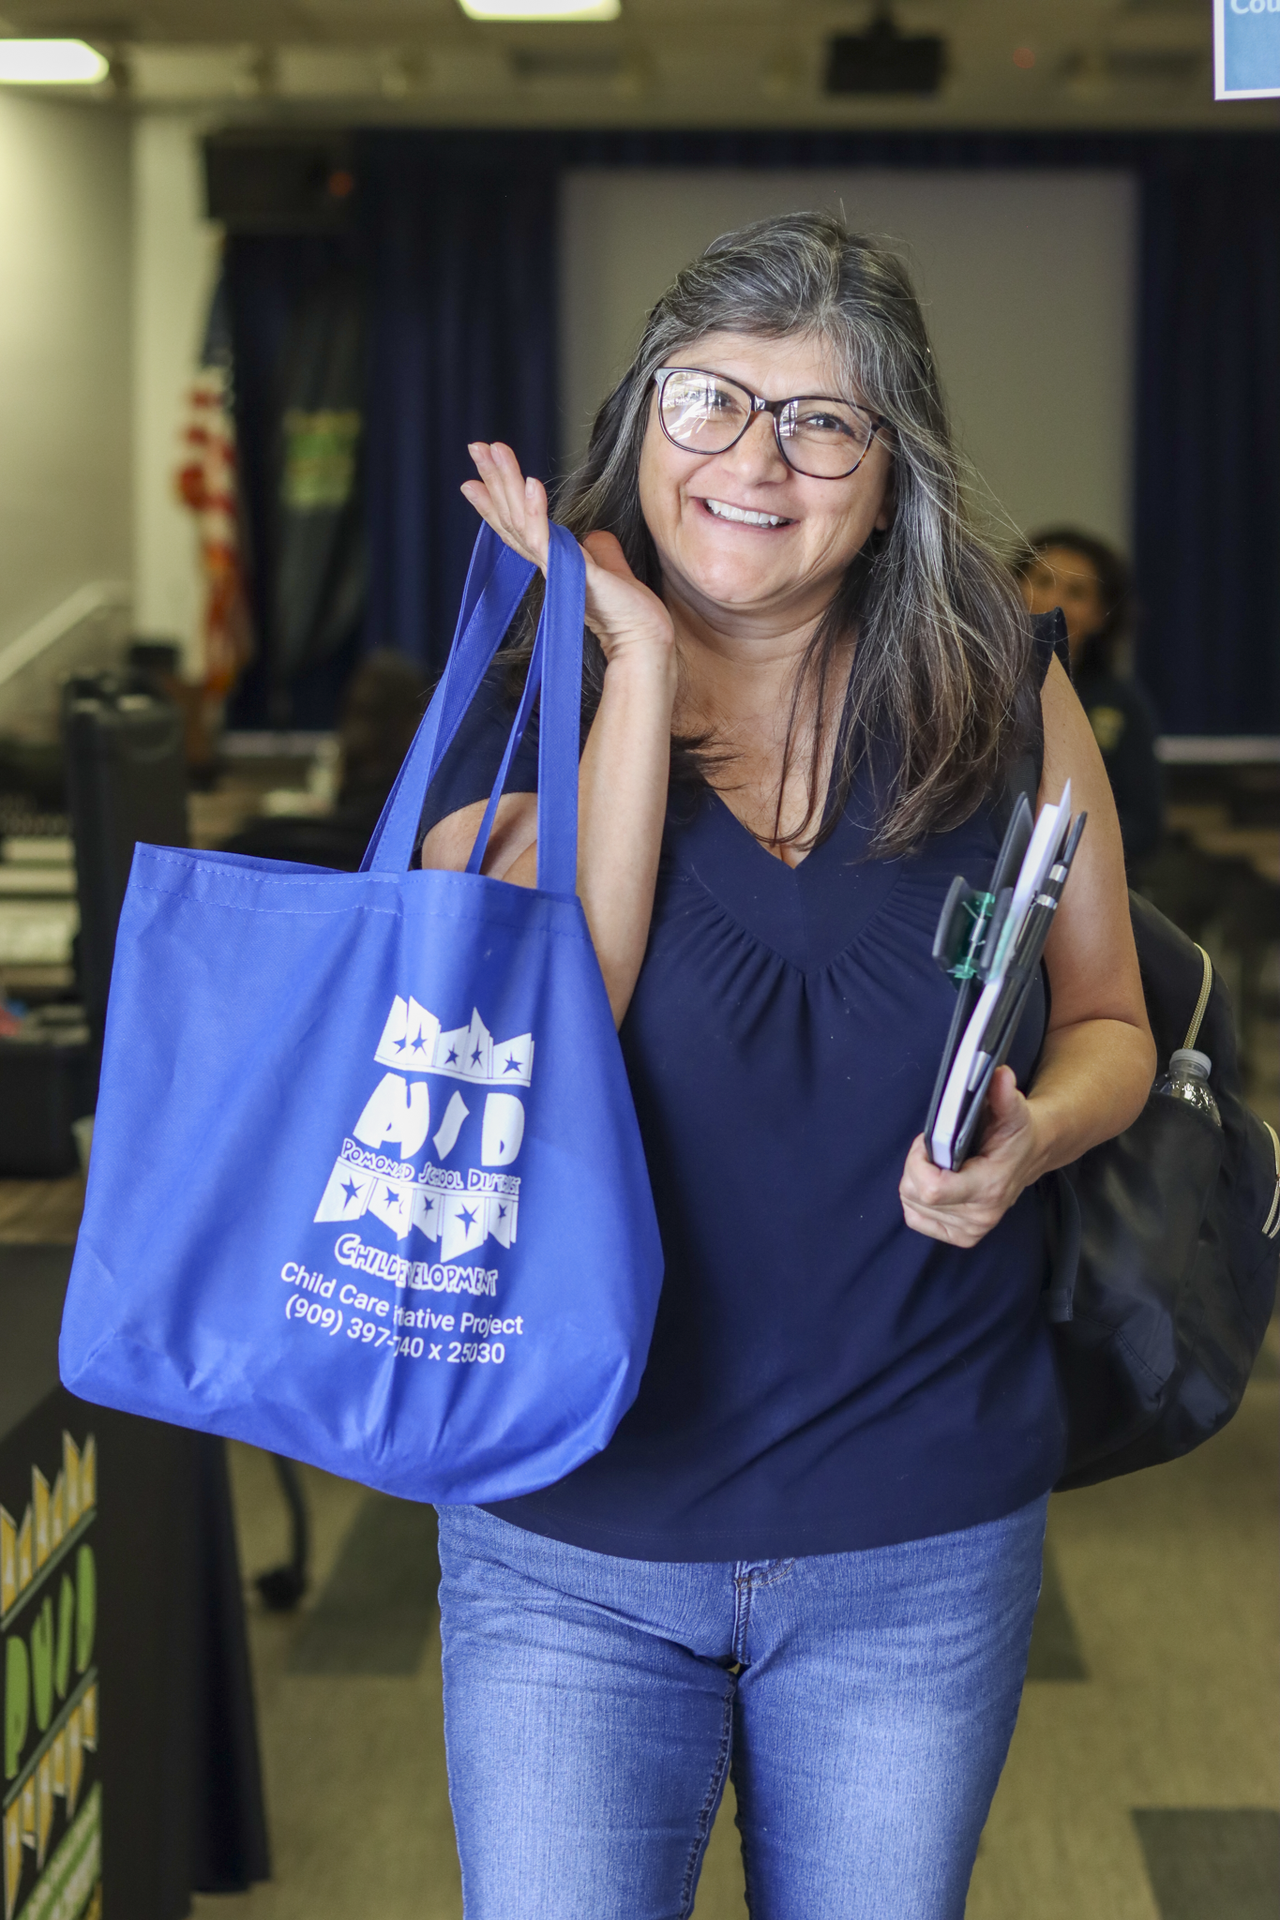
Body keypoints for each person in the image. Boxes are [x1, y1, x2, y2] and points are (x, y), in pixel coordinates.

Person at [419, 212, 1154, 1920]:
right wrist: (645, 670)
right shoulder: (518, 709)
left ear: (891, 476)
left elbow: (1116, 1020)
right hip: (568, 1535)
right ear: (645, 419)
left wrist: (1037, 1133)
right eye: (711, 401)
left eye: (822, 420)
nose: (758, 458)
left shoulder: (1003, 705)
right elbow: (547, 1039)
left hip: (918, 1532)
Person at [1016, 529, 1164, 875]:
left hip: (1082, 878)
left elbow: (1144, 824)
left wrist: (1056, 850)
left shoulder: (1124, 704)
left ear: (1100, 615)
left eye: (1077, 592)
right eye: (1042, 580)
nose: (1054, 601)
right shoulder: (975, 684)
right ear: (1013, 587)